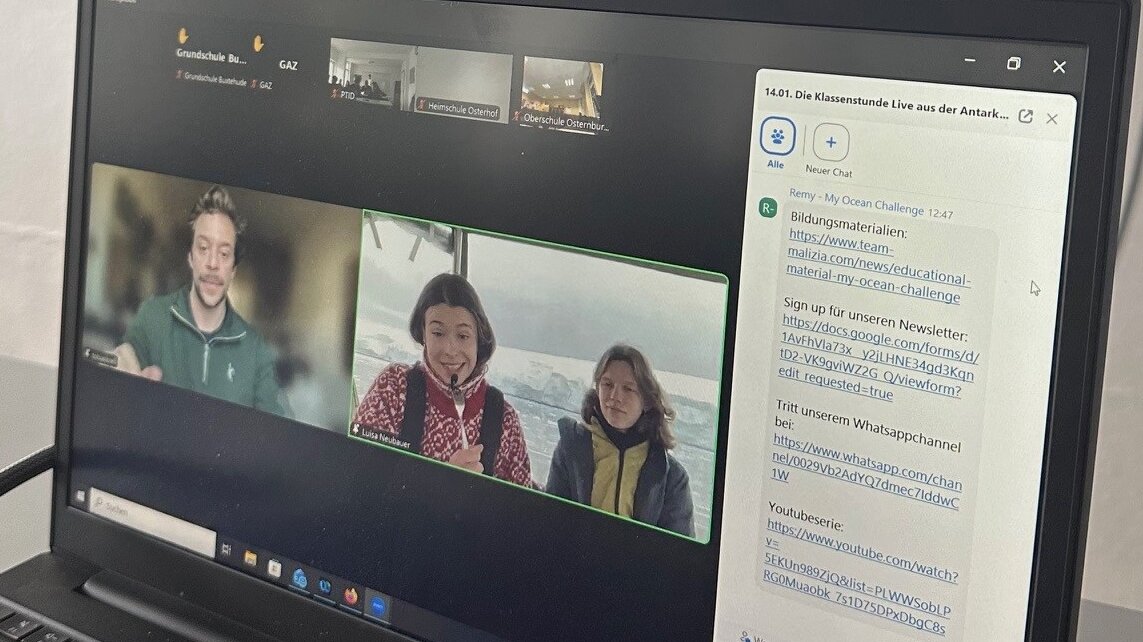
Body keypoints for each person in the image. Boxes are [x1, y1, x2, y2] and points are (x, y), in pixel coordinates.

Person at [113, 185, 287, 417]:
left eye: (224, 253)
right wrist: (118, 367)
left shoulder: (255, 349)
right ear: (191, 258)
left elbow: (278, 422)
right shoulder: (153, 315)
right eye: (203, 248)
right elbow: (125, 357)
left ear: (233, 270)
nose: (212, 263)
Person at [352, 273, 535, 487]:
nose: (450, 350)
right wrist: (441, 482)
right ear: (423, 334)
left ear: (479, 339)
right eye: (438, 333)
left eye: (463, 336)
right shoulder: (393, 388)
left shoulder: (505, 421)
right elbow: (357, 477)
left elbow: (521, 504)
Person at [546, 344, 695, 537]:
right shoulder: (571, 449)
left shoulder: (672, 478)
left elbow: (679, 549)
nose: (615, 397)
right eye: (607, 385)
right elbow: (551, 524)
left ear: (647, 400)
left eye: (628, 389)